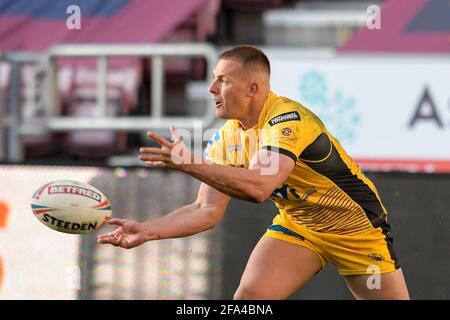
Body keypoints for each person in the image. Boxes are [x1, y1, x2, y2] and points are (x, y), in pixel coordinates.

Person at [98, 45, 410, 300]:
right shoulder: (228, 135)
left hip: (357, 230)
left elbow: (259, 188)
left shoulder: (288, 120)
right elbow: (205, 209)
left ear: (253, 88)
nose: (212, 88)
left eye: (223, 80)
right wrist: (148, 230)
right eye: (213, 78)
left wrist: (188, 163)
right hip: (300, 227)